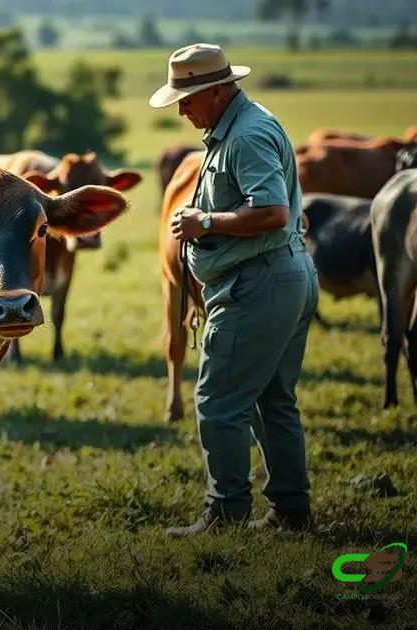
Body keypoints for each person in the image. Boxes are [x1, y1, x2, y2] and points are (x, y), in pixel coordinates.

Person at [148, 43, 317, 535]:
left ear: (219, 91)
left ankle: (226, 513)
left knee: (219, 402)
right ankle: (290, 509)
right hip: (280, 275)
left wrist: (204, 221)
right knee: (272, 400)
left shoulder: (244, 136)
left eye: (189, 97)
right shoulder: (242, 125)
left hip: (258, 284)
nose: (181, 108)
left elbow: (271, 213)